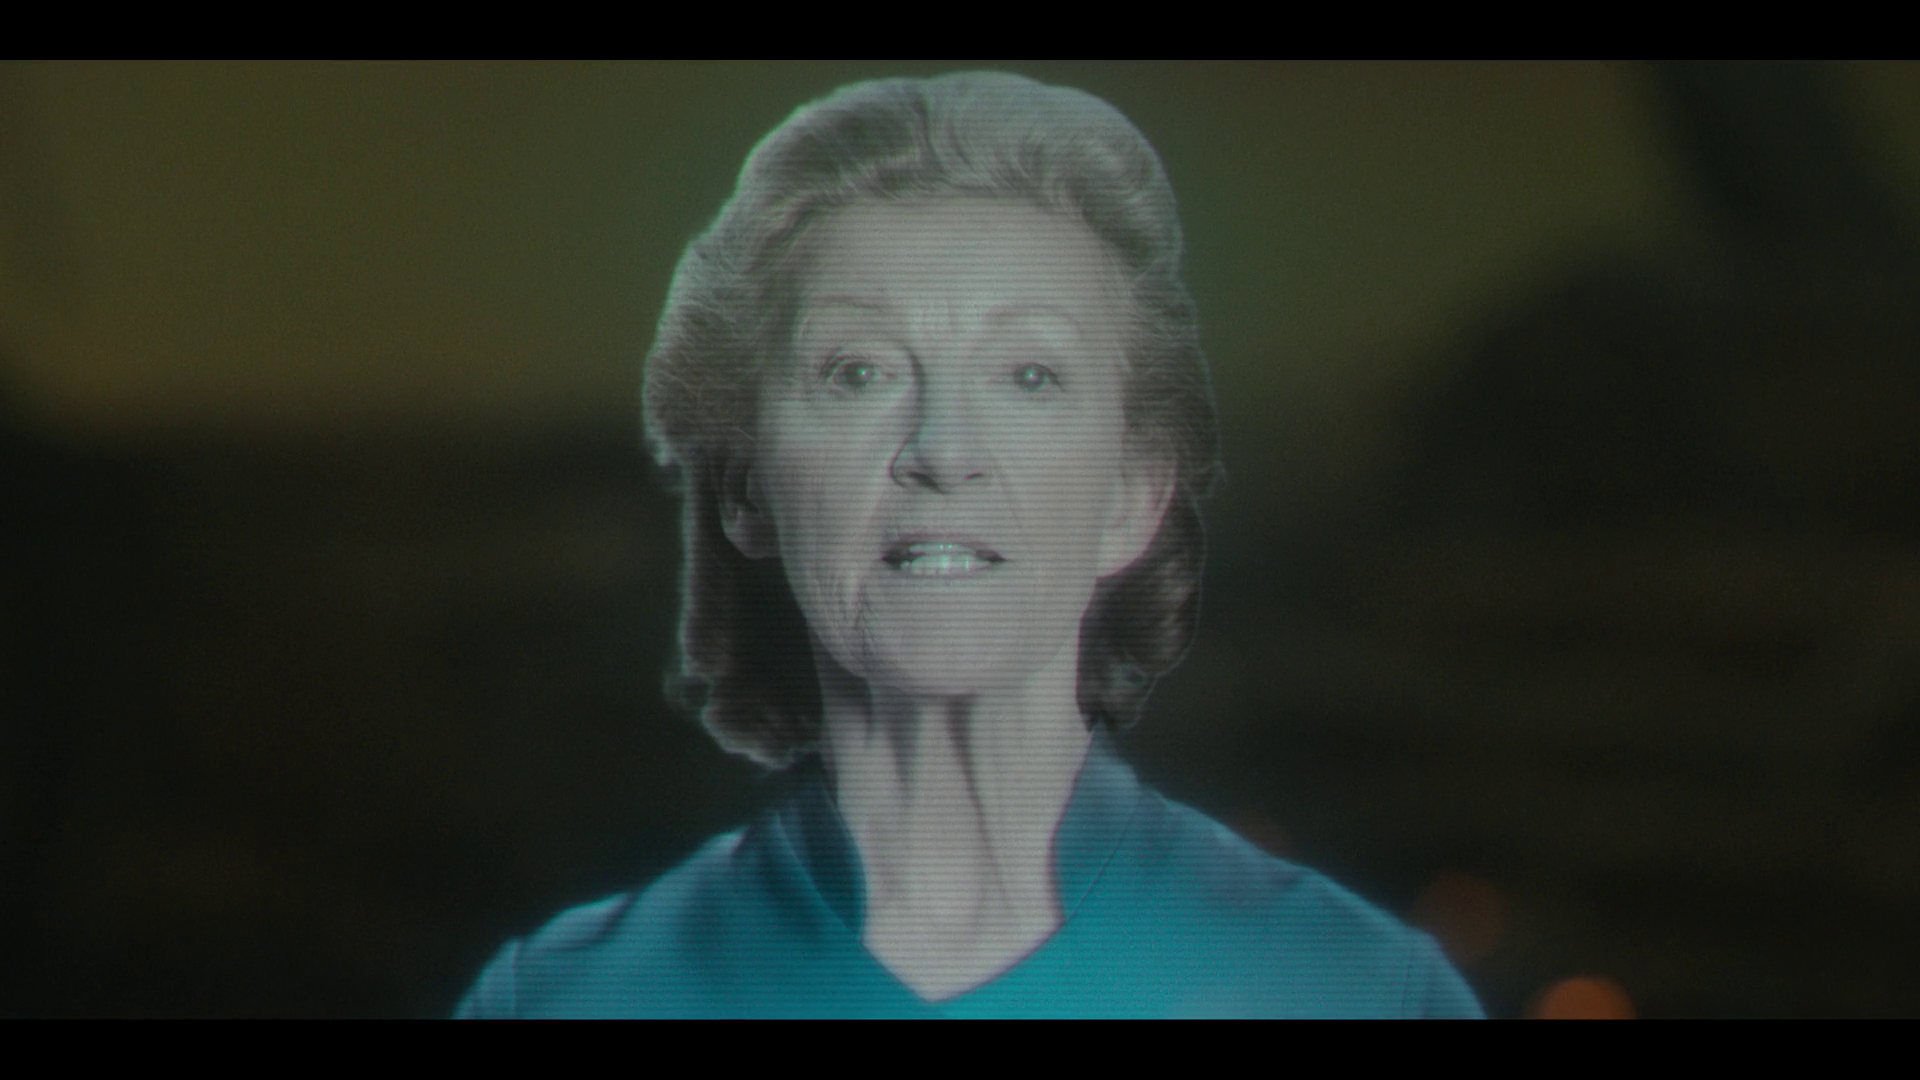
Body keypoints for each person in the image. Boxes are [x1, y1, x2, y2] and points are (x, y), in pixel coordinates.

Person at [456, 71, 1482, 1018]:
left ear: (1133, 495)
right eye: (859, 373)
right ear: (746, 487)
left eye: (1029, 376)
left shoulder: (1358, 992)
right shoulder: (563, 1002)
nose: (943, 450)